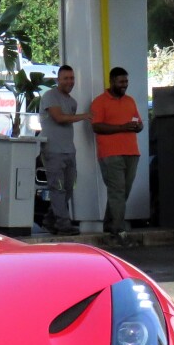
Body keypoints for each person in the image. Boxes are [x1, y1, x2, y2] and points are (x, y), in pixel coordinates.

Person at [89, 66, 144, 245]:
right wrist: (121, 128)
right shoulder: (99, 101)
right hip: (110, 153)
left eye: (126, 81)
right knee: (117, 191)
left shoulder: (130, 101)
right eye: (121, 82)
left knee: (122, 191)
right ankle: (118, 229)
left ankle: (109, 223)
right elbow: (96, 126)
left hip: (131, 152)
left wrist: (137, 127)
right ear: (112, 81)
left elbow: (140, 123)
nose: (124, 85)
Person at [37, 64, 87, 234]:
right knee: (57, 188)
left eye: (72, 78)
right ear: (58, 80)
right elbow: (58, 118)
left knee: (68, 188)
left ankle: (51, 220)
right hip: (53, 150)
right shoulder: (50, 96)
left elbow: (67, 118)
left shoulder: (72, 101)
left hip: (69, 150)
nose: (69, 81)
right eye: (66, 78)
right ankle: (63, 223)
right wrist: (85, 116)